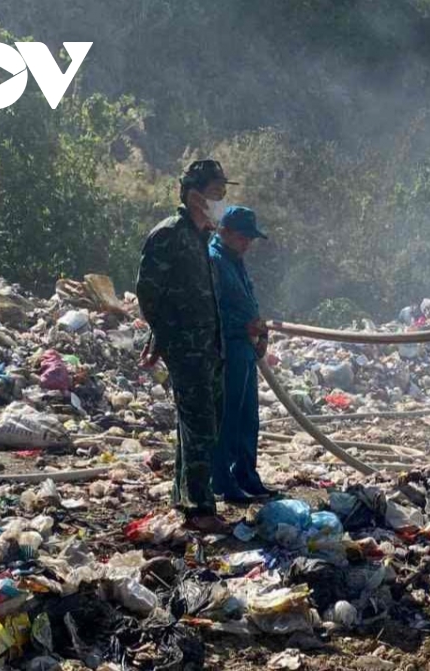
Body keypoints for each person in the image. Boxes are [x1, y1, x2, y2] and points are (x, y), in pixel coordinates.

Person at [136, 159, 236, 534]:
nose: (221, 201)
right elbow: (149, 293)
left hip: (210, 346)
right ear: (194, 196)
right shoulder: (169, 235)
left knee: (201, 423)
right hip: (187, 348)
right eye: (216, 194)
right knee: (201, 425)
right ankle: (199, 509)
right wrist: (165, 336)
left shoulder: (203, 237)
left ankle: (186, 495)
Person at [209, 205, 277, 500]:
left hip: (246, 349)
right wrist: (244, 326)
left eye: (250, 238)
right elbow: (212, 310)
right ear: (224, 232)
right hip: (228, 348)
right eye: (242, 237)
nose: (247, 243)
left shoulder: (235, 259)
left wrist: (262, 334)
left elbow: (248, 301)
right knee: (228, 419)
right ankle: (223, 482)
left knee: (248, 417)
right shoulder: (213, 260)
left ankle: (247, 476)